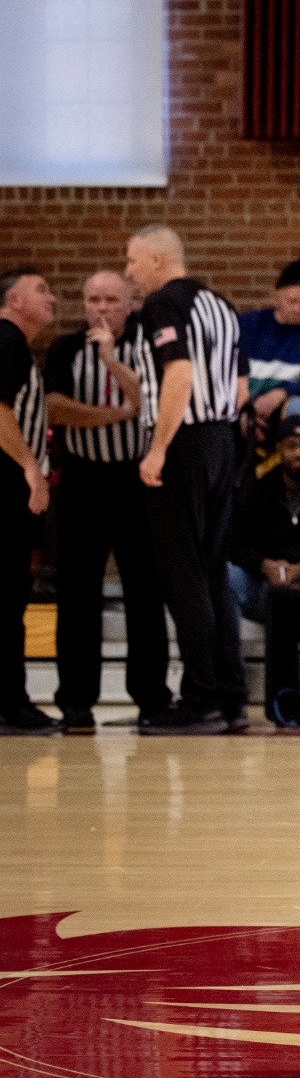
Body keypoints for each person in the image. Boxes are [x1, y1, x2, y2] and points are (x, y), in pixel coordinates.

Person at [125, 225, 252, 736]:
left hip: (185, 441)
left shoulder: (162, 304)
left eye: (133, 261)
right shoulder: (220, 304)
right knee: (212, 570)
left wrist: (159, 448)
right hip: (222, 439)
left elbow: (178, 375)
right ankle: (231, 697)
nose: (130, 271)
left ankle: (199, 700)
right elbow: (241, 387)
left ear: (157, 260)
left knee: (182, 572)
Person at [44, 271, 171, 734]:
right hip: (81, 481)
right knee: (77, 594)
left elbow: (150, 402)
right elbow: (54, 408)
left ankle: (152, 699)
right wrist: (115, 414)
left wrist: (112, 361)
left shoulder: (147, 342)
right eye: (92, 298)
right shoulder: (64, 348)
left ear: (128, 303)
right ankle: (76, 703)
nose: (100, 308)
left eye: (110, 299)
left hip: (134, 480)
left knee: (145, 593)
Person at [230, 416, 300, 726]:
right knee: (228, 576)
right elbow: (235, 544)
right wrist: (264, 564)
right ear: (279, 450)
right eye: (291, 446)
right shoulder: (259, 489)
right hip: (267, 589)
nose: (298, 453)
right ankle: (231, 686)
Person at [0, 267, 56, 735]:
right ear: (13, 300)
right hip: (4, 491)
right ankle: (12, 705)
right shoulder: (7, 341)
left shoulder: (16, 345)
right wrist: (30, 467)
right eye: (40, 290)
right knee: (7, 599)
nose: (52, 297)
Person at [239, 255, 300, 432]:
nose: (298, 308)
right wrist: (244, 409)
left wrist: (282, 393)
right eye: (292, 301)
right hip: (243, 402)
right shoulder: (248, 325)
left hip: (286, 404)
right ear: (276, 299)